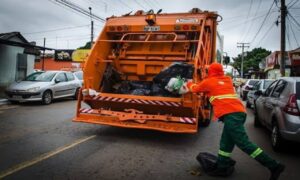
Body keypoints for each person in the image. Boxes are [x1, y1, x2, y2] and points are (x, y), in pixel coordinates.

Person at [184, 63, 285, 180]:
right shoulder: (227, 80)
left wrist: (188, 83)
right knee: (225, 142)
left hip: (232, 115)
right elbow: (216, 88)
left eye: (208, 71)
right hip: (238, 113)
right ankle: (222, 165)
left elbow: (195, 89)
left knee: (244, 143)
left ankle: (273, 165)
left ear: (210, 72)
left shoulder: (209, 82)